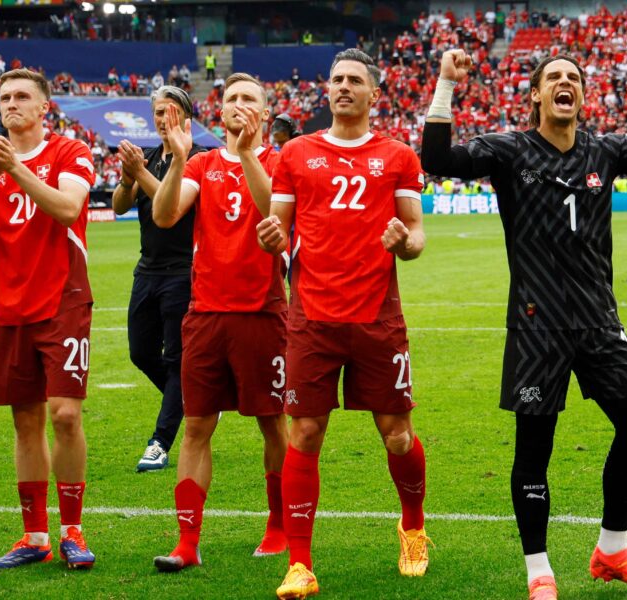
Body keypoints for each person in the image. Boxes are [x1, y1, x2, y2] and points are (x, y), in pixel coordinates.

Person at [421, 46, 627, 598]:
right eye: (553, 78)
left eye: (573, 77)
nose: (564, 83)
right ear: (536, 95)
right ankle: (539, 572)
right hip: (537, 326)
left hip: (599, 322)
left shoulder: (606, 150)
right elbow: (437, 160)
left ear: (582, 94)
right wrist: (447, 85)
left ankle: (613, 550)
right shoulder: (509, 150)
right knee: (535, 450)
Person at [253, 48, 429, 599]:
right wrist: (272, 238)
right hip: (311, 317)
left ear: (374, 94)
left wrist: (406, 244)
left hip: (379, 317)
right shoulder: (296, 154)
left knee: (397, 434)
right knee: (305, 431)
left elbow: (417, 234)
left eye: (355, 80)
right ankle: (300, 564)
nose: (344, 87)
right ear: (326, 91)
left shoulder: (397, 156)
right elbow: (277, 227)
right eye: (337, 80)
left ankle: (413, 527)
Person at [0, 68, 97, 570]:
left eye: (21, 97)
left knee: (65, 413)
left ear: (43, 108)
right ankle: (34, 535)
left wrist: (14, 170)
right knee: (26, 418)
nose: (11, 104)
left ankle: (73, 530)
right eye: (5, 97)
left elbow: (68, 207)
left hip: (63, 298)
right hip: (9, 304)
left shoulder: (70, 152)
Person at [149, 72, 289, 571]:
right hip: (205, 313)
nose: (239, 105)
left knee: (273, 425)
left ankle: (277, 527)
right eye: (231, 98)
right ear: (220, 109)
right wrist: (180, 158)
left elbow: (273, 209)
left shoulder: (278, 160)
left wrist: (248, 152)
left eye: (250, 98)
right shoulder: (202, 164)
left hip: (263, 313)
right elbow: (165, 216)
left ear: (265, 114)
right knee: (196, 427)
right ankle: (187, 543)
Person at [111, 86, 202, 473]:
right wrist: (127, 178)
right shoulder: (147, 157)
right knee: (140, 352)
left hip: (184, 272)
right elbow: (119, 207)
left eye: (171, 112)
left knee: (177, 358)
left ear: (187, 118)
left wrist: (142, 173)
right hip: (146, 269)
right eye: (158, 114)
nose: (164, 120)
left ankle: (160, 442)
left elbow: (173, 209)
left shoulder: (200, 160)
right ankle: (189, 398)